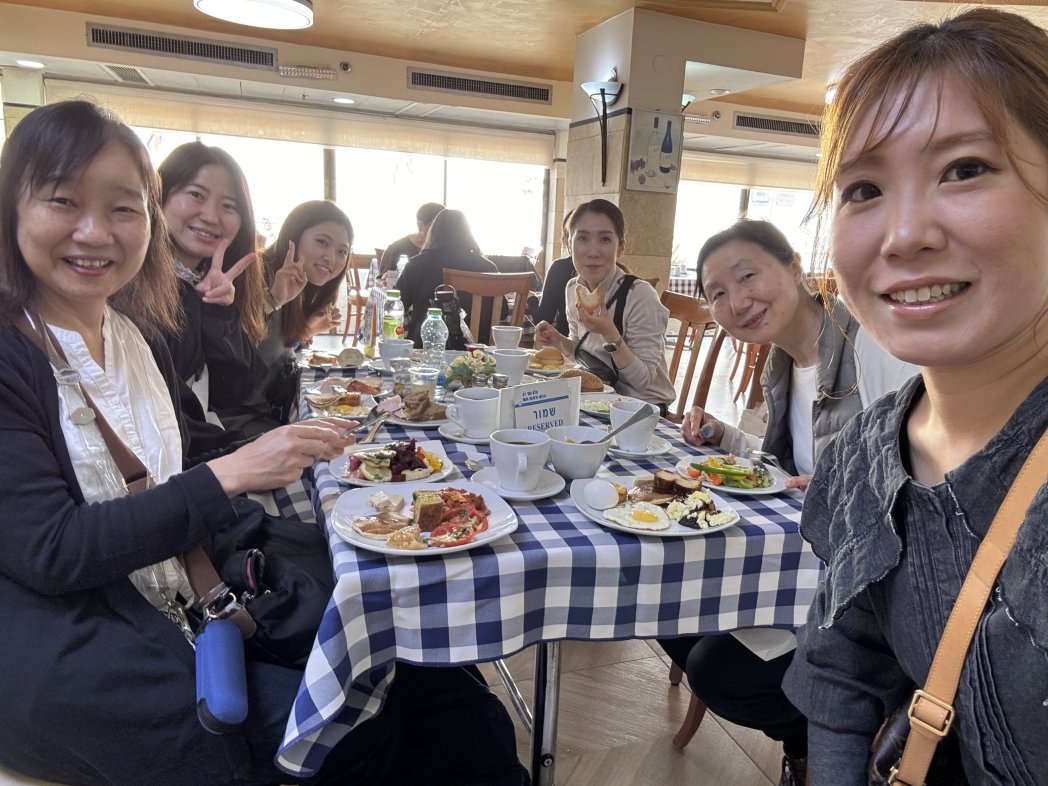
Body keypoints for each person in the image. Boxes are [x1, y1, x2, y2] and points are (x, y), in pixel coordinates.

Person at [0, 99, 530, 786]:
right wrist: (234, 472)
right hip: (84, 639)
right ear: (12, 207)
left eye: (123, 208)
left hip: (187, 581)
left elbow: (186, 446)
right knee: (349, 729)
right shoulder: (15, 353)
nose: (95, 231)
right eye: (63, 201)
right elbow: (52, 551)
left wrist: (255, 461)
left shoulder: (130, 334)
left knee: (420, 657)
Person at [779, 9, 1048, 784]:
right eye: (863, 188)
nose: (903, 236)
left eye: (964, 169)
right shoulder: (863, 456)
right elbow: (841, 669)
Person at [662, 219, 917, 786]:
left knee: (717, 668)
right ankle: (807, 739)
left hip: (869, 591)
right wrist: (724, 437)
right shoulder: (782, 363)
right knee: (667, 611)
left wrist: (843, 486)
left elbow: (925, 476)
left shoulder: (871, 345)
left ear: (795, 266)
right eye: (717, 293)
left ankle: (820, 742)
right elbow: (784, 467)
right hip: (804, 560)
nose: (736, 302)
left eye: (747, 276)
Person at [158, 142, 274, 448]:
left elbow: (235, 391)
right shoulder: (134, 287)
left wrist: (218, 311)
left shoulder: (204, 282)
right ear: (160, 196)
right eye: (196, 195)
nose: (211, 216)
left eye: (229, 206)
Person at [534, 198, 675, 412]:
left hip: (642, 409)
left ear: (621, 247)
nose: (593, 252)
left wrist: (609, 333)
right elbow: (584, 354)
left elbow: (642, 381)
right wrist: (558, 340)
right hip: (598, 401)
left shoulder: (640, 296)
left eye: (605, 239)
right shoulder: (573, 289)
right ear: (568, 245)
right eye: (582, 238)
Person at [256, 200, 353, 420]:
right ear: (294, 235)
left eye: (342, 251)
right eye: (322, 242)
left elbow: (275, 347)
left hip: (276, 403)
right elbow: (234, 347)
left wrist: (307, 330)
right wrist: (272, 299)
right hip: (247, 414)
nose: (331, 258)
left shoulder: (300, 282)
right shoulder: (259, 273)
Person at [396, 207, 499, 346]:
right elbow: (503, 312)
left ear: (433, 233)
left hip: (427, 347)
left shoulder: (416, 265)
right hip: (477, 350)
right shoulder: (487, 267)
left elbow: (399, 304)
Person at [530, 208, 577, 336]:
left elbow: (544, 319)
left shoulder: (560, 268)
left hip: (565, 344)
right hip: (567, 344)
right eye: (583, 238)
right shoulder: (622, 277)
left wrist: (531, 299)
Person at [378, 200, 444, 277]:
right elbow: (380, 280)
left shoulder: (445, 249)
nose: (442, 230)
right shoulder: (396, 248)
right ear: (420, 225)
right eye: (437, 226)